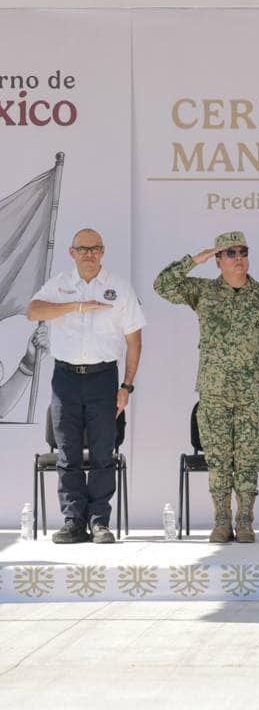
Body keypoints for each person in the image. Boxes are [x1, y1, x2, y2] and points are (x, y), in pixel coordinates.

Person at [154, 232, 259, 544]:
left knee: (247, 460)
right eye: (229, 253)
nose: (238, 257)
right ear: (218, 260)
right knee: (218, 460)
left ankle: (245, 521)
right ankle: (221, 520)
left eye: (243, 251)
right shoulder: (203, 292)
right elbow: (162, 285)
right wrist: (194, 259)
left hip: (251, 394)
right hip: (214, 392)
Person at [26, 228, 144, 544]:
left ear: (103, 252)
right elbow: (33, 311)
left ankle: (99, 522)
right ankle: (73, 521)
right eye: (83, 248)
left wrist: (127, 386)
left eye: (95, 248)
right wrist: (77, 306)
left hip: (104, 378)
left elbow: (134, 340)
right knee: (68, 453)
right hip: (65, 378)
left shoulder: (119, 288)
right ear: (72, 252)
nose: (89, 254)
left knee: (104, 451)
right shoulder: (60, 285)